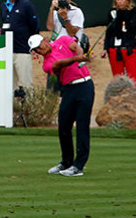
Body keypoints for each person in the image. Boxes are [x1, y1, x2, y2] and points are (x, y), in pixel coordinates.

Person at [30, 33, 93, 177]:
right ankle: (66, 162)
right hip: (68, 89)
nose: (39, 50)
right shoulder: (46, 64)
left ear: (45, 40)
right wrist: (75, 59)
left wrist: (80, 55)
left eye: (39, 46)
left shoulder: (63, 40)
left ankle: (78, 166)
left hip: (84, 86)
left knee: (82, 126)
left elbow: (75, 47)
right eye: (36, 50)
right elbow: (58, 64)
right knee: (63, 126)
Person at [1, 0, 39, 90]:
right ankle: (13, 102)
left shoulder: (26, 5)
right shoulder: (3, 6)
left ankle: (29, 102)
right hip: (7, 51)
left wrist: (29, 44)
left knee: (26, 83)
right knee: (9, 84)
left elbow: (34, 26)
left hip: (22, 51)